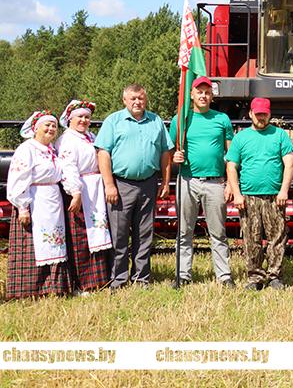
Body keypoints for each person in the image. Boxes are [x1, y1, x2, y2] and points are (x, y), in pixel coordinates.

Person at [95, 84, 173, 289]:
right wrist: (109, 184)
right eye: (133, 99)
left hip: (148, 184)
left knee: (144, 234)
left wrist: (165, 181)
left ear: (146, 99)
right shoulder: (113, 121)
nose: (137, 102)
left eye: (141, 98)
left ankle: (141, 278)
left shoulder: (156, 121)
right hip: (120, 184)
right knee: (119, 235)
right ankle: (118, 279)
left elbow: (166, 152)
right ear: (125, 100)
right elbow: (103, 153)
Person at [169, 77, 235, 287]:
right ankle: (183, 274)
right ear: (191, 94)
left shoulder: (222, 119)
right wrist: (175, 158)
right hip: (187, 180)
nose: (203, 96)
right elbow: (171, 150)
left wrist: (232, 183)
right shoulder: (180, 119)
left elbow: (231, 153)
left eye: (207, 92)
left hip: (215, 182)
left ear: (212, 95)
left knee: (218, 231)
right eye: (199, 92)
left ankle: (224, 276)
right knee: (184, 230)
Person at [5, 111, 79, 298]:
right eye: (47, 125)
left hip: (53, 200)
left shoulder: (53, 150)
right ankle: (30, 290)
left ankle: (54, 287)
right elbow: (19, 178)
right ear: (35, 128)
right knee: (34, 243)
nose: (51, 129)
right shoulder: (27, 149)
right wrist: (23, 207)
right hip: (34, 201)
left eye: (54, 126)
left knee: (56, 242)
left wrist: (74, 191)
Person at [225, 97, 293, 290]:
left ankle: (274, 276)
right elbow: (231, 166)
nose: (261, 117)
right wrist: (237, 194)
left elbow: (289, 163)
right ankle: (255, 277)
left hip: (274, 196)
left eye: (264, 114)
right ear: (250, 115)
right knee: (251, 238)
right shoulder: (241, 138)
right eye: (258, 114)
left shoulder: (280, 135)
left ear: (270, 114)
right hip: (249, 197)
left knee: (277, 237)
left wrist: (284, 190)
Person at [56, 99, 112, 292]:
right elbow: (68, 167)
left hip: (95, 189)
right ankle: (81, 283)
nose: (84, 120)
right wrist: (75, 192)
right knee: (81, 237)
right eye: (80, 116)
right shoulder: (67, 141)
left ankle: (99, 280)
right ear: (70, 118)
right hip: (81, 190)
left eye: (87, 117)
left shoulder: (90, 136)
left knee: (98, 233)